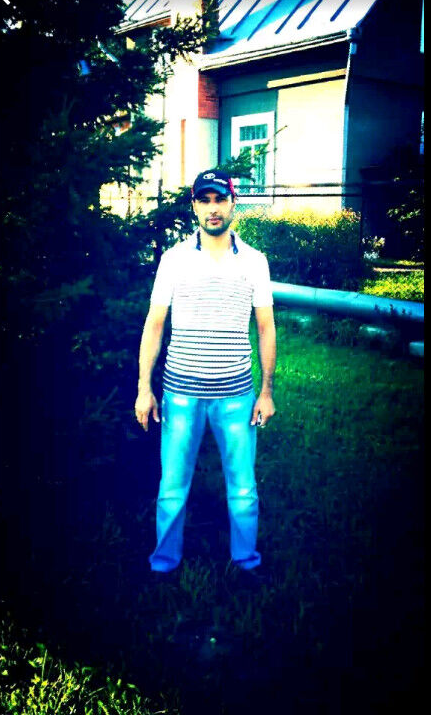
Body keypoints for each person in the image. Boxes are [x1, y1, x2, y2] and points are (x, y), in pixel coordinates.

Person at [135, 169, 276, 574]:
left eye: (220, 200)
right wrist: (144, 388)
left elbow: (266, 327)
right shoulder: (174, 259)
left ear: (232, 203)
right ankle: (164, 563)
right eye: (205, 200)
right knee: (171, 488)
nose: (213, 209)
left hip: (236, 396)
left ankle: (246, 563)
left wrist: (266, 392)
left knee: (244, 489)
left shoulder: (255, 262)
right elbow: (155, 324)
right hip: (181, 394)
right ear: (195, 206)